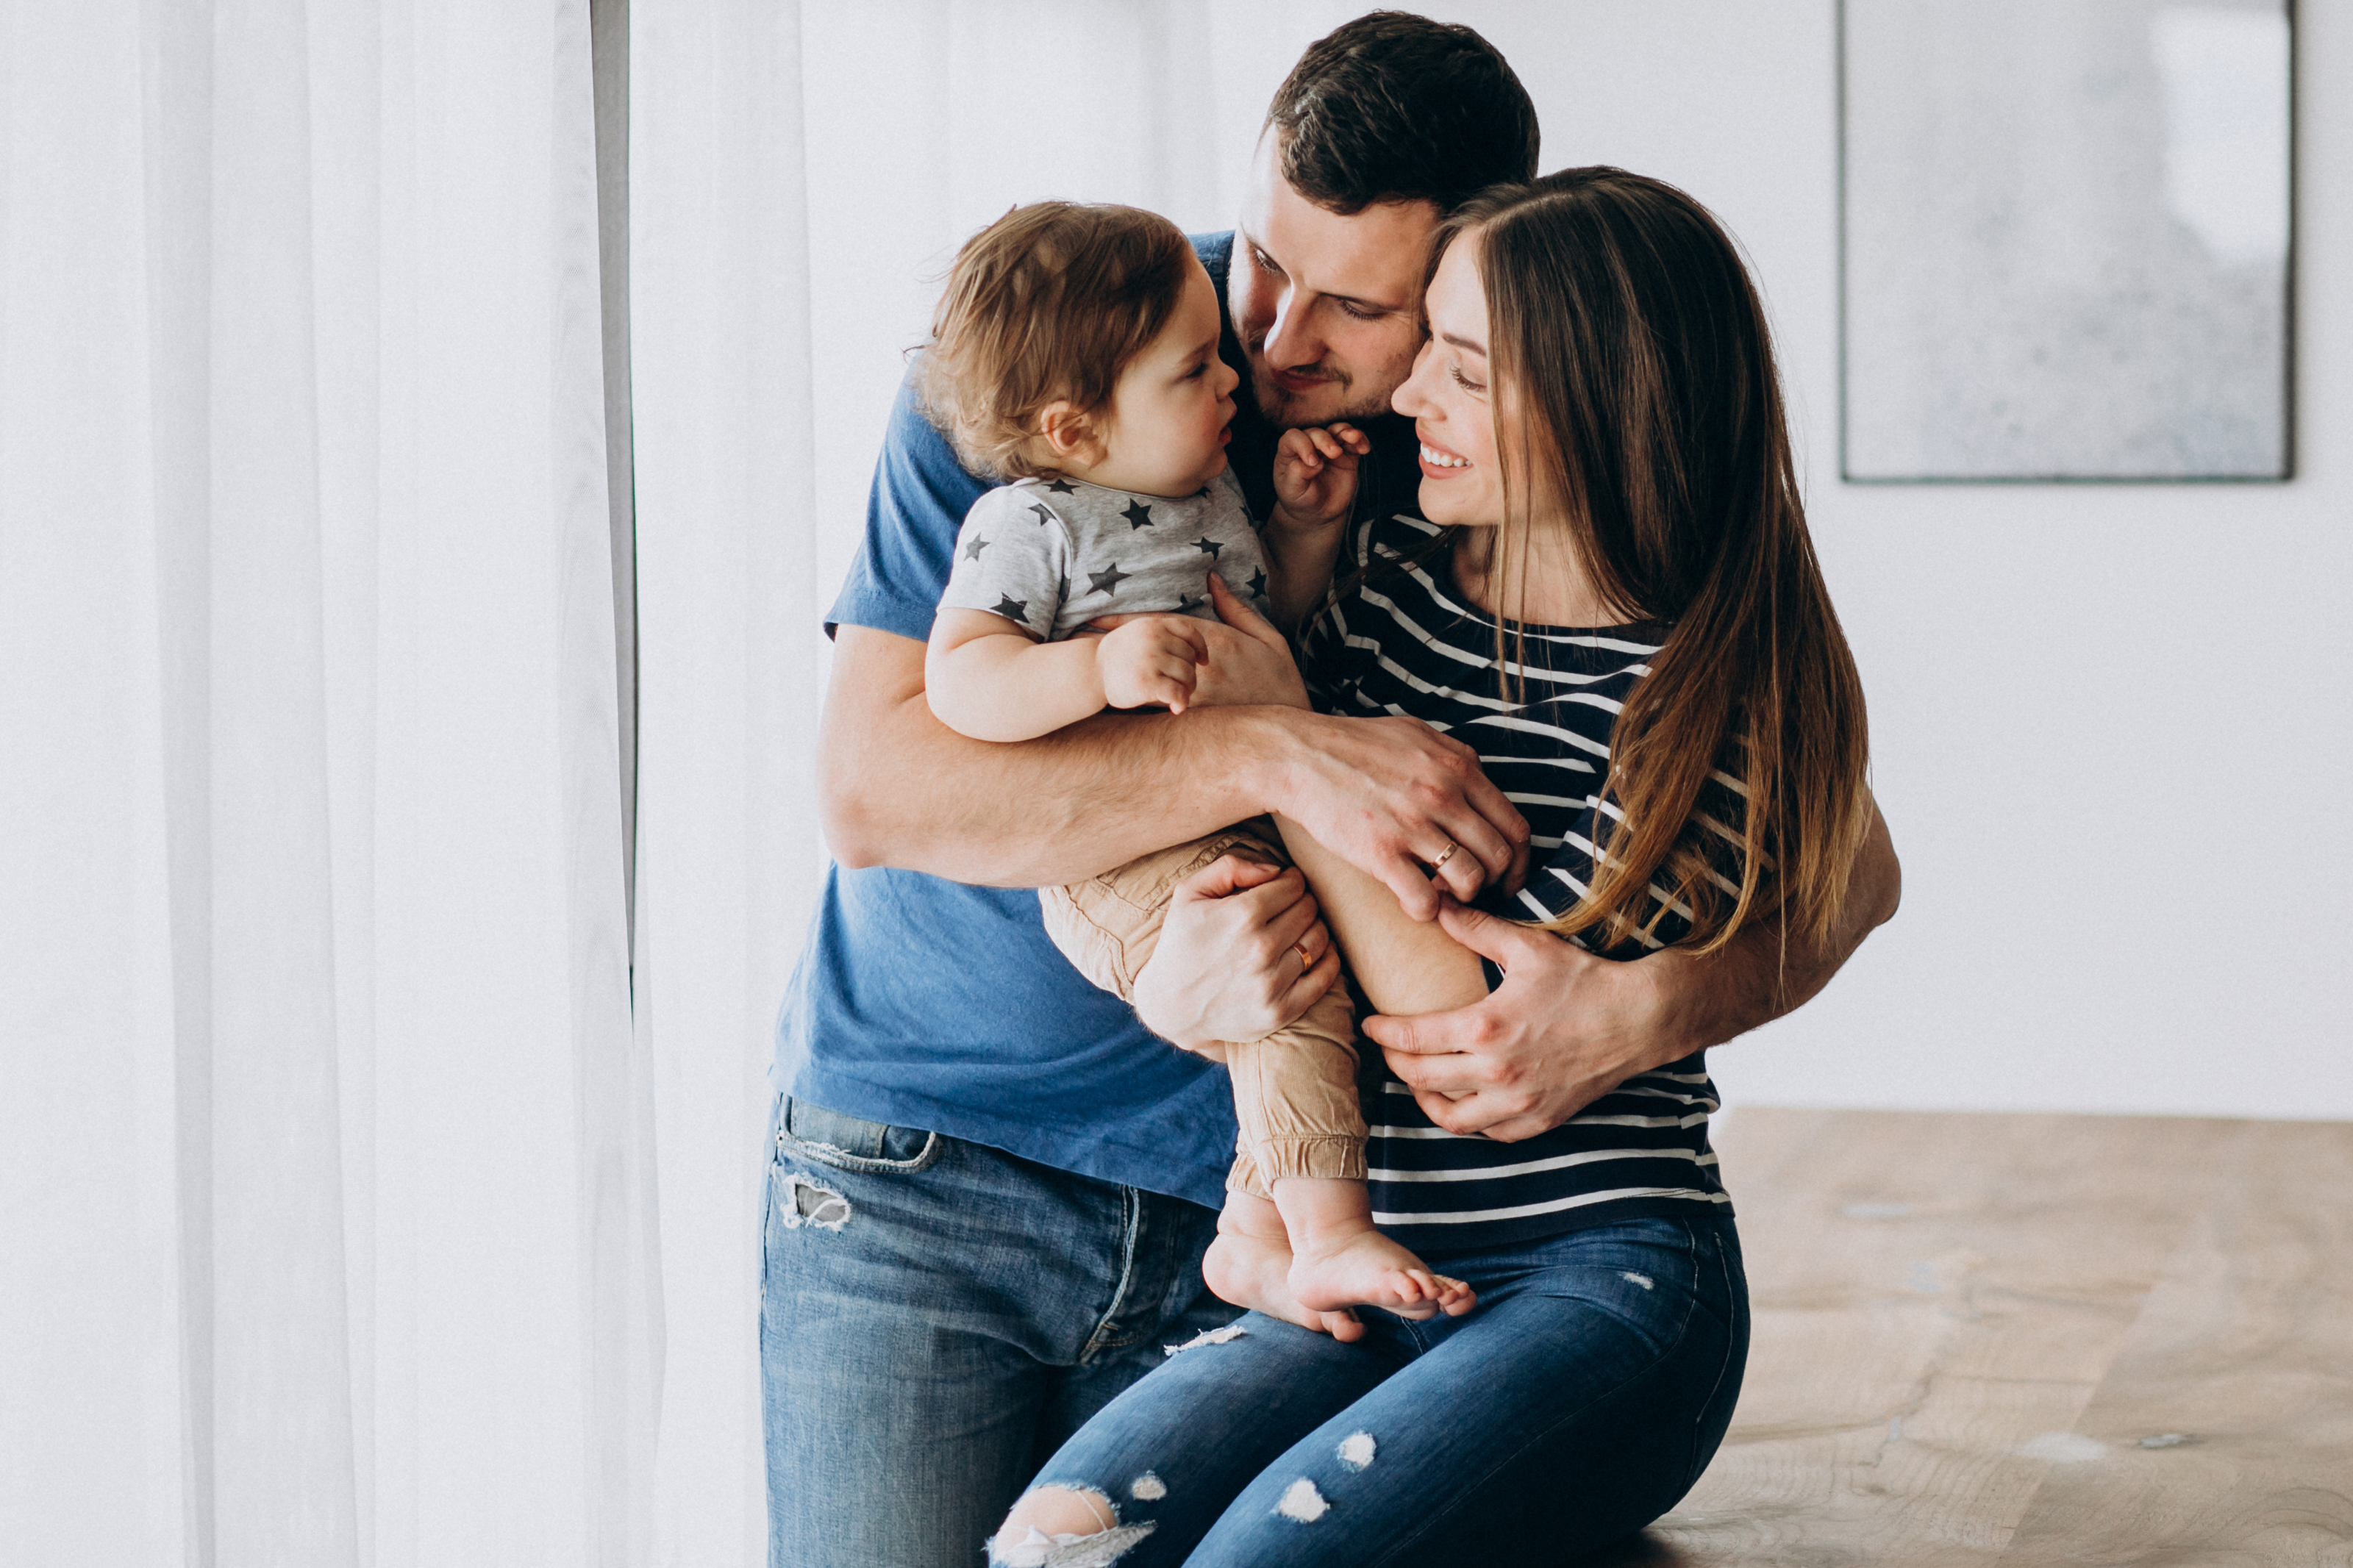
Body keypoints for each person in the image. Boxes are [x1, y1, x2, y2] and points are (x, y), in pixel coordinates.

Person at [768, 15, 1900, 1568]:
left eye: (1361, 308)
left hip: (1275, 1208)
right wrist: (1272, 745)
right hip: (937, 1150)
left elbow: (1843, 856)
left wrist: (1646, 1008)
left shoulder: (1437, 477)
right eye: (1263, 263)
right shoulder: (1070, 351)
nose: (1271, 338)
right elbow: (874, 786)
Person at [917, 196, 1474, 1322]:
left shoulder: (1208, 489)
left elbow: (1272, 640)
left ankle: (1258, 1230)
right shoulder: (1032, 522)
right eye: (1195, 370)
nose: (1236, 377)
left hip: (1221, 832)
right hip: (1115, 865)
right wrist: (1095, 672)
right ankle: (1321, 1234)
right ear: (1076, 429)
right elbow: (960, 679)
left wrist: (1303, 528)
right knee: (1293, 999)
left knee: (1304, 981)